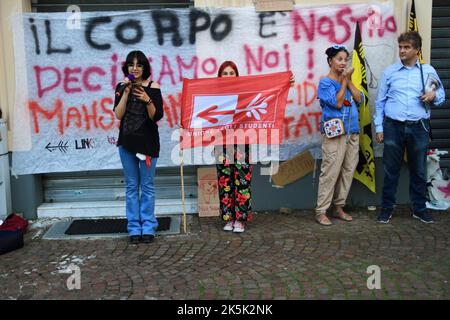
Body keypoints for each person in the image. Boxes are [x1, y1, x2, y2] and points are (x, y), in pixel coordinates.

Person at [374, 31, 445, 224]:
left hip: (419, 127)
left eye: (407, 47)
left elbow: (441, 96)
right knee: (390, 170)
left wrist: (433, 96)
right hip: (392, 127)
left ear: (417, 50)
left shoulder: (428, 71)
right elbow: (379, 102)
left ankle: (419, 209)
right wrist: (380, 127)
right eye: (401, 47)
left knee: (418, 171)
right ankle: (387, 208)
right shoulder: (390, 72)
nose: (402, 51)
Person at [114, 50, 164, 243]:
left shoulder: (153, 86)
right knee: (132, 187)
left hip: (148, 145)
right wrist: (126, 92)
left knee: (148, 186)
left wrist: (147, 99)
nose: (135, 68)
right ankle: (134, 228)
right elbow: (118, 114)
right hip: (126, 144)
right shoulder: (120, 86)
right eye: (131, 65)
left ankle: (149, 227)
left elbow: (156, 116)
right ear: (126, 67)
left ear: (145, 68)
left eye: (139, 65)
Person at [315, 45, 363, 226]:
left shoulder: (347, 79)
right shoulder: (325, 83)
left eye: (345, 59)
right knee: (330, 171)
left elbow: (359, 98)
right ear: (330, 61)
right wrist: (343, 82)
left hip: (352, 130)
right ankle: (321, 210)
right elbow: (336, 102)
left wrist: (348, 80)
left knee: (348, 170)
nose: (343, 63)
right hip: (335, 133)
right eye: (339, 59)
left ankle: (338, 206)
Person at [215, 61, 252, 233]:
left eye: (232, 73)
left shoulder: (245, 94)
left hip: (242, 142)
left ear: (237, 76)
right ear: (220, 76)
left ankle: (241, 219)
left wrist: (284, 83)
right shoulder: (213, 96)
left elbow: (267, 93)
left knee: (242, 181)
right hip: (222, 143)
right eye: (225, 73)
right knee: (225, 182)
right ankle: (229, 218)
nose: (229, 76)